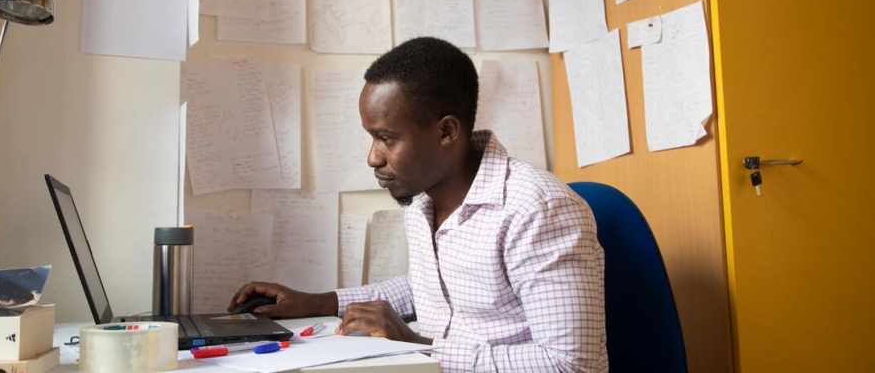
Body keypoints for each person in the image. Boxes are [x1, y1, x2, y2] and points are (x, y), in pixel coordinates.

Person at [230, 37, 607, 372]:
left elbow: (573, 364)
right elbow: (434, 288)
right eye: (371, 137)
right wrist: (315, 302)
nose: (373, 158)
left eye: (387, 138)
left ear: (446, 131)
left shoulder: (538, 209)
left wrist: (422, 349)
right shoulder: (425, 197)